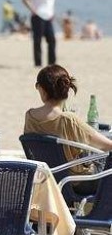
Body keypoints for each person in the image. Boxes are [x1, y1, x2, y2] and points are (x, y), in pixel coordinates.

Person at [24, 64, 112, 195]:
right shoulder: (68, 119)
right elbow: (107, 145)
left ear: (41, 89)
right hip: (78, 182)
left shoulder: (30, 116)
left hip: (48, 180)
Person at [23, 0, 57, 67]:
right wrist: (32, 10)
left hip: (48, 17)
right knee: (38, 40)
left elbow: (50, 2)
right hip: (38, 17)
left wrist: (52, 13)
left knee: (52, 40)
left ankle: (52, 63)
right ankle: (38, 63)